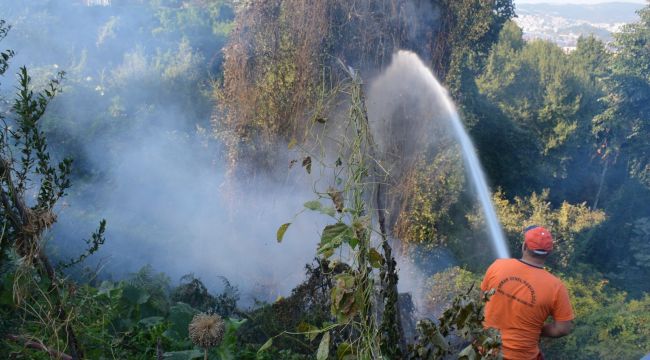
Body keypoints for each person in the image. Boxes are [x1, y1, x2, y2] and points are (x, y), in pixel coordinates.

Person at [481, 225, 574, 360]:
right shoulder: (556, 287)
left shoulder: (497, 266)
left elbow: (482, 301)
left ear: (524, 246)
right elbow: (563, 329)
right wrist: (534, 329)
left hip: (484, 351)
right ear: (549, 253)